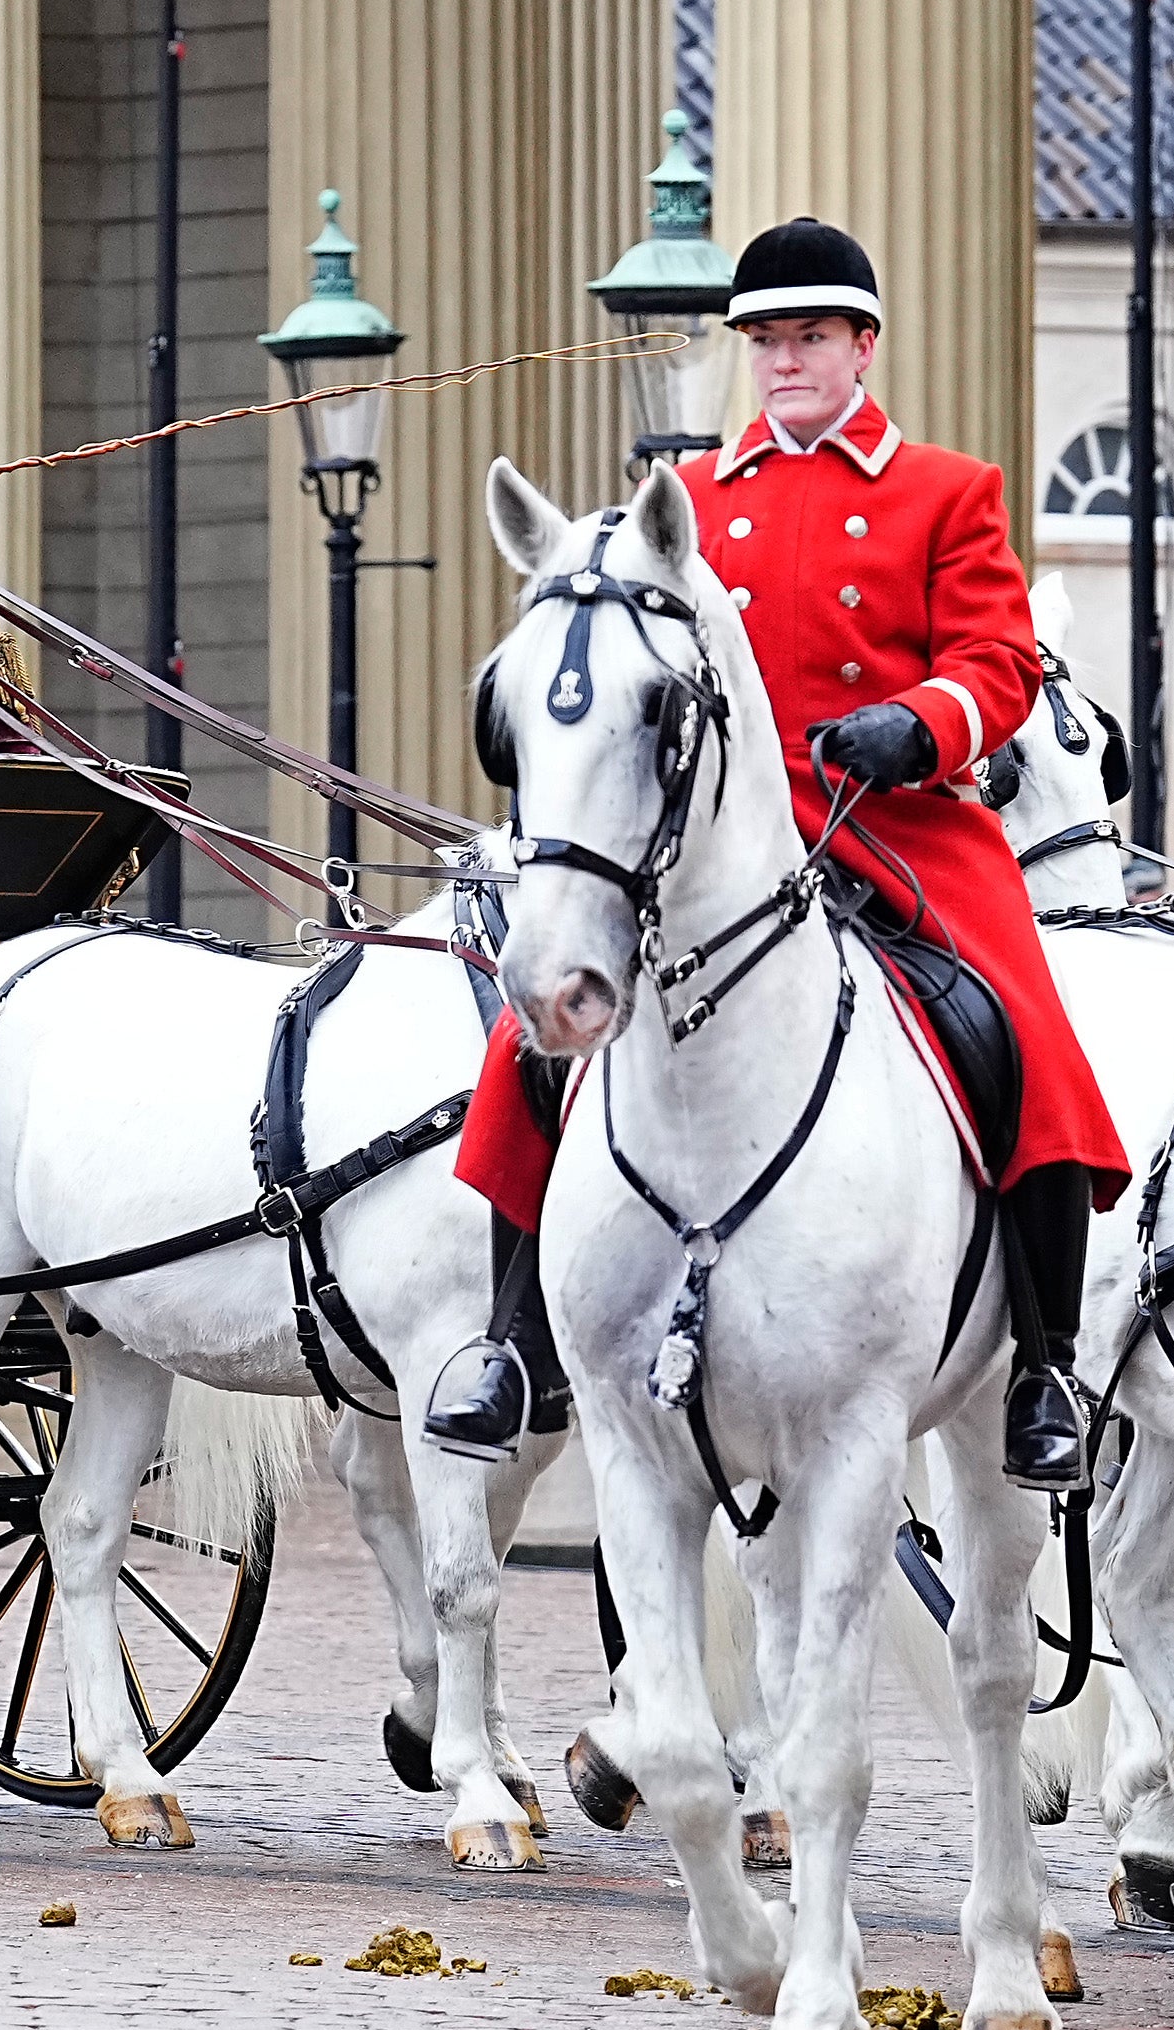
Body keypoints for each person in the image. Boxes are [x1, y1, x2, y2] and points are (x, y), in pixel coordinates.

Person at [429, 217, 1130, 1492]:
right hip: (708, 838)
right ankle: (512, 1335)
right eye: (764, 339)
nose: (784, 360)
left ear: (862, 346)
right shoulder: (686, 506)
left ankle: (1043, 1364)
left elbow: (1002, 664)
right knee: (533, 1040)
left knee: (1015, 1035)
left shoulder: (945, 490)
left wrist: (917, 724)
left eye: (809, 336)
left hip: (895, 823)